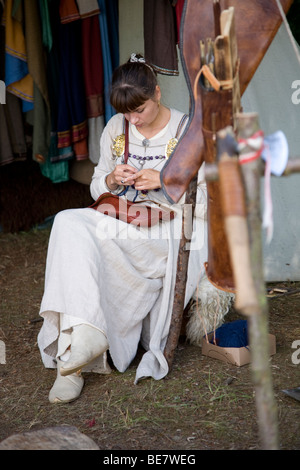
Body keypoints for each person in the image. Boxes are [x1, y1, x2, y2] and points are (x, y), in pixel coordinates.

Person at [37, 53, 208, 404]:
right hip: (122, 219)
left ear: (157, 94)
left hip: (168, 228)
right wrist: (113, 179)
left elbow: (209, 201)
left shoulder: (187, 130)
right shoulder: (117, 128)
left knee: (95, 246)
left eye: (140, 110)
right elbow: (97, 186)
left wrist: (163, 181)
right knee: (68, 221)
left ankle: (70, 363)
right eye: (127, 113)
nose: (134, 120)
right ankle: (82, 340)